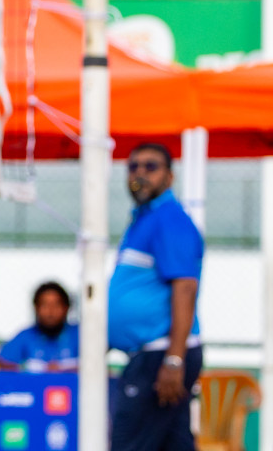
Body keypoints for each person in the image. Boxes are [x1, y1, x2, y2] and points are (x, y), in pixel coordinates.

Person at [109, 142, 204, 451]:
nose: (140, 173)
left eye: (151, 167)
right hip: (151, 353)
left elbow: (185, 288)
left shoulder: (169, 219)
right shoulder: (143, 219)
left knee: (129, 442)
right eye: (133, 166)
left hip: (161, 354)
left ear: (169, 177)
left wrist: (173, 361)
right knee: (173, 444)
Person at [0, 282, 78, 371]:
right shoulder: (26, 336)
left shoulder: (80, 335)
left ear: (66, 308)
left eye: (56, 305)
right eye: (45, 305)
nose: (50, 312)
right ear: (36, 308)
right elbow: (0, 364)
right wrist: (26, 367)